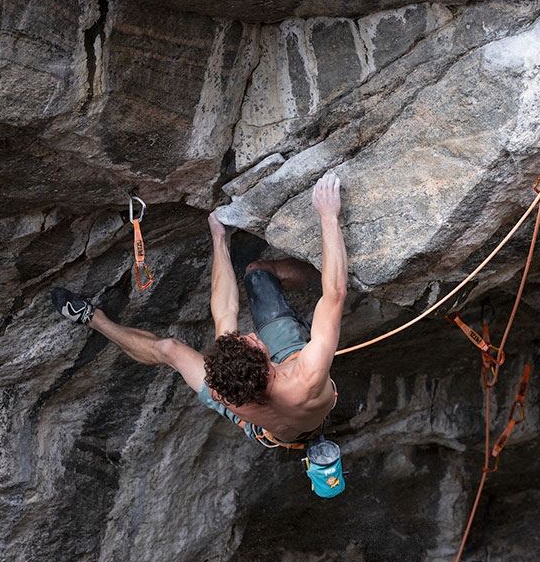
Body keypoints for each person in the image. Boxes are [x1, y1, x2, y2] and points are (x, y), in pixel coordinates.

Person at [51, 171, 347, 447]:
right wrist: (327, 216)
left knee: (173, 346)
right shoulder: (307, 374)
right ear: (263, 365)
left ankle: (96, 320)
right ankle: (96, 320)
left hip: (269, 420)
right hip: (287, 409)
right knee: (251, 281)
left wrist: (218, 237)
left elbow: (225, 311)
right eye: (254, 342)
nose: (254, 335)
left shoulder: (228, 386)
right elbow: (334, 293)